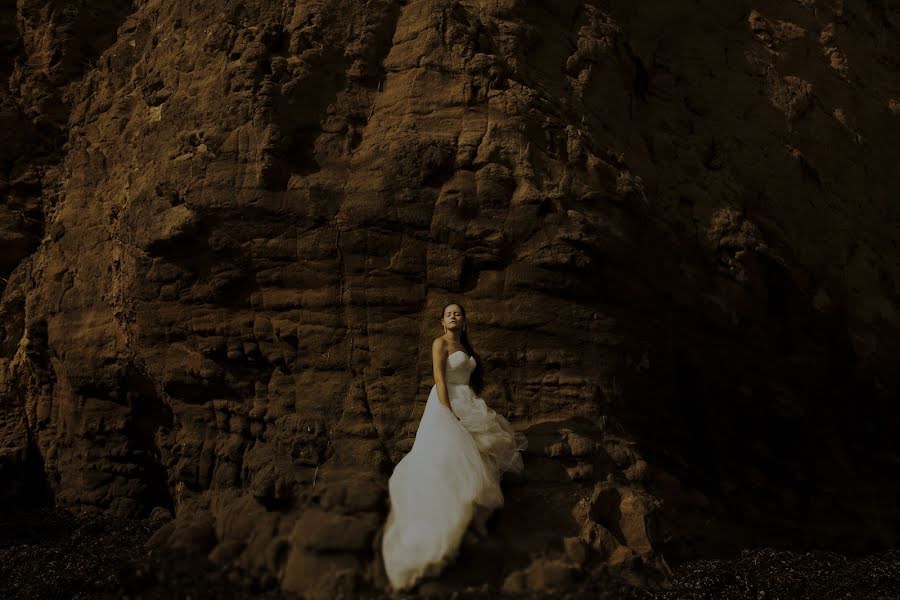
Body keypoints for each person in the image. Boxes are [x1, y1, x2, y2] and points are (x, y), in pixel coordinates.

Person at [380, 302, 528, 592]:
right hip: (445, 401)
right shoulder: (441, 343)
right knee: (448, 455)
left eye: (457, 313)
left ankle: (475, 517)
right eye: (449, 314)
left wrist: (469, 405)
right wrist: (448, 411)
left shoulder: (463, 343)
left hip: (467, 399)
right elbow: (439, 377)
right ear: (442, 322)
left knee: (479, 452)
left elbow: (467, 379)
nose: (453, 316)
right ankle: (451, 522)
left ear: (464, 320)